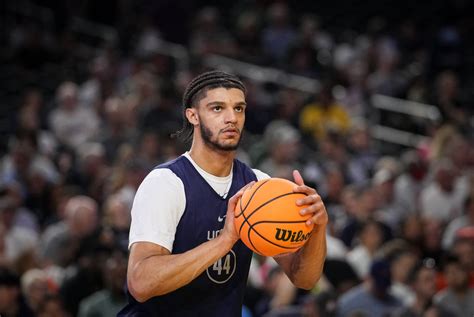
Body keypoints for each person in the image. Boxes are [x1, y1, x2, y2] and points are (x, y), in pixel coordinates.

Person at [118, 71, 328, 316]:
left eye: (239, 109)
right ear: (193, 115)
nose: (232, 118)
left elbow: (304, 279)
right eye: (217, 108)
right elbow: (141, 283)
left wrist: (317, 228)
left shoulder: (259, 186)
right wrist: (224, 241)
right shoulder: (166, 183)